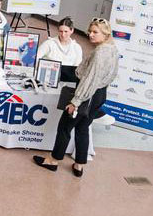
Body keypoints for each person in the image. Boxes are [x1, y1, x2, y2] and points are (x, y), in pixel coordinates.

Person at [33, 18, 118, 177]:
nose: (90, 35)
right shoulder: (112, 48)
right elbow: (110, 75)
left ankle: (53, 161)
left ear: (105, 33)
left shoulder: (100, 52)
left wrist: (75, 102)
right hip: (99, 95)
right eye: (90, 31)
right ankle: (79, 165)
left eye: (95, 32)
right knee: (82, 128)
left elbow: (89, 80)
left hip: (87, 96)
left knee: (65, 126)